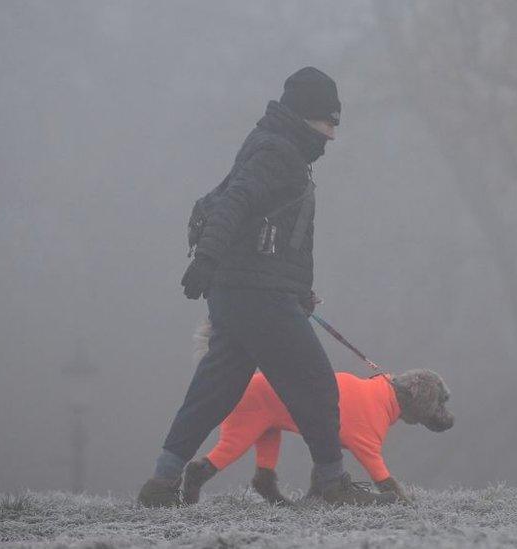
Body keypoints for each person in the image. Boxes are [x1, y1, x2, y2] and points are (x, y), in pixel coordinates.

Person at [138, 67, 396, 507]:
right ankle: (331, 484)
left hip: (242, 292)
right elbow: (236, 202)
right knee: (316, 381)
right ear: (305, 115)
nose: (333, 134)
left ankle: (160, 485)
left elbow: (274, 234)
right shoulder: (278, 154)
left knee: (214, 389)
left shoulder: (274, 147)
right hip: (256, 295)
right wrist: (206, 258)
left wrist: (293, 290)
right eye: (329, 121)